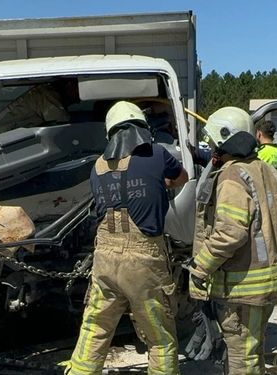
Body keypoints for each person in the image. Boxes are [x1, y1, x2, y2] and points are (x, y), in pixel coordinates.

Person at [66, 101, 188, 375]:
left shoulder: (97, 166)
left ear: (110, 133)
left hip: (105, 259)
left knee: (95, 329)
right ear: (142, 129)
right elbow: (182, 177)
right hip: (144, 260)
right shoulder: (157, 155)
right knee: (160, 339)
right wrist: (160, 184)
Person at [188, 107, 277, 374]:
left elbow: (230, 233)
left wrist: (200, 267)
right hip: (270, 282)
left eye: (213, 141)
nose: (211, 147)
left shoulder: (232, 176)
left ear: (225, 139)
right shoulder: (268, 171)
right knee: (253, 349)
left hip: (244, 288)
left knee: (242, 357)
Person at [0, 78, 80, 134]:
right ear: (70, 84)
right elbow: (63, 128)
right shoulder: (48, 95)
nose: (78, 99)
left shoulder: (47, 93)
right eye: (78, 90)